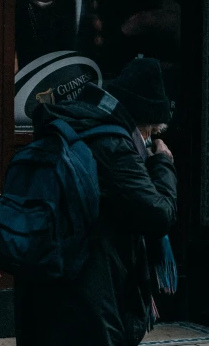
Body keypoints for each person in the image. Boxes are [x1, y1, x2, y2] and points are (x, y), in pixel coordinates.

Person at [15, 57, 177, 346]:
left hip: (42, 292)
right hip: (88, 305)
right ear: (142, 122)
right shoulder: (113, 146)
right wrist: (162, 164)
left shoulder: (69, 127)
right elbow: (159, 214)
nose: (148, 141)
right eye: (150, 134)